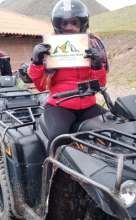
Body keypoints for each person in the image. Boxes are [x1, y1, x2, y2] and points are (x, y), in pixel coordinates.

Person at [30, 0, 109, 156]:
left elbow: (99, 84)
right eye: (64, 23)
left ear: (83, 24)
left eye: (74, 22)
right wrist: (37, 62)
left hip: (88, 104)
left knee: (117, 128)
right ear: (58, 25)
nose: (69, 27)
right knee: (57, 139)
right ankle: (51, 175)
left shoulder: (93, 45)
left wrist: (96, 65)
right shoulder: (49, 48)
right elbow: (40, 87)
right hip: (59, 105)